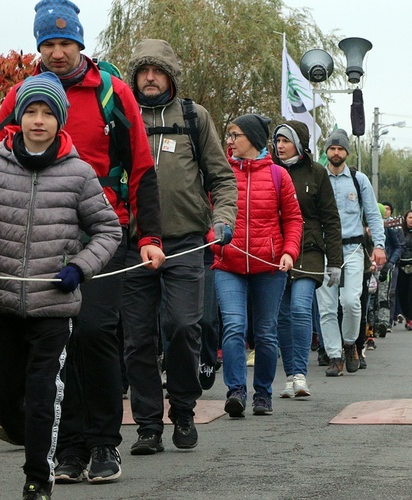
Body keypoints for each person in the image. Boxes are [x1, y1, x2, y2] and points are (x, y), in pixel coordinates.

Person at [0, 0, 166, 484]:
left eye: (66, 43)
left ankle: (105, 443)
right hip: (41, 230)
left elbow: (142, 169)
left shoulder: (113, 92)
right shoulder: (21, 96)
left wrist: (148, 236)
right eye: (48, 44)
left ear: (81, 44)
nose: (57, 53)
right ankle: (68, 448)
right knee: (55, 339)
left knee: (93, 333)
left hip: (102, 229)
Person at [0, 72, 122, 500]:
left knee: (45, 395)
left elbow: (108, 231)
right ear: (18, 118)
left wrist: (80, 268)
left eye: (47, 112)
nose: (38, 120)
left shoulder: (79, 173)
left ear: (59, 121)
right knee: (3, 401)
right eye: (31, 111)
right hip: (3, 304)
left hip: (54, 305)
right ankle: (34, 438)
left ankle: (37, 481)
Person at [121, 39, 238, 455]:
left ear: (170, 75)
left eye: (157, 70)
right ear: (134, 75)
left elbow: (222, 179)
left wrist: (223, 221)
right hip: (133, 246)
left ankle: (184, 411)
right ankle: (148, 425)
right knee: (136, 340)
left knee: (184, 327)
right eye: (143, 71)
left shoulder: (194, 116)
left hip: (188, 243)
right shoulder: (121, 115)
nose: (149, 78)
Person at [214, 114, 303, 417]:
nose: (229, 141)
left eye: (234, 135)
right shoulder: (222, 172)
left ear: (251, 138)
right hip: (228, 264)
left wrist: (289, 251)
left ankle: (263, 393)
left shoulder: (279, 175)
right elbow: (207, 211)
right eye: (228, 136)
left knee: (266, 332)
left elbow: (292, 219)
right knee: (234, 326)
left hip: (269, 267)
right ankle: (236, 390)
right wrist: (212, 236)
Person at [271, 120, 342, 398]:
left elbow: (331, 219)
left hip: (309, 250)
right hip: (275, 251)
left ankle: (300, 374)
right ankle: (289, 375)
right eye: (277, 141)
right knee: (282, 316)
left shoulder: (317, 173)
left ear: (299, 143)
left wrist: (334, 261)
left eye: (285, 141)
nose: (280, 146)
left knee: (301, 309)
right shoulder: (271, 171)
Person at [316, 129, 386, 376]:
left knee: (351, 302)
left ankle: (349, 345)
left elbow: (373, 215)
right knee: (326, 306)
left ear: (346, 152)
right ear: (326, 152)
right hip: (323, 249)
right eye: (332, 148)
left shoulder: (359, 180)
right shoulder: (318, 177)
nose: (336, 152)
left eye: (340, 149)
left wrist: (379, 245)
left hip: (353, 248)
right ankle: (334, 356)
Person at [374, 203, 403, 337]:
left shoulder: (389, 227)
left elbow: (398, 247)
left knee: (385, 294)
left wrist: (391, 262)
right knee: (370, 297)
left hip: (385, 266)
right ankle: (370, 324)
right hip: (368, 266)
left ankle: (385, 322)